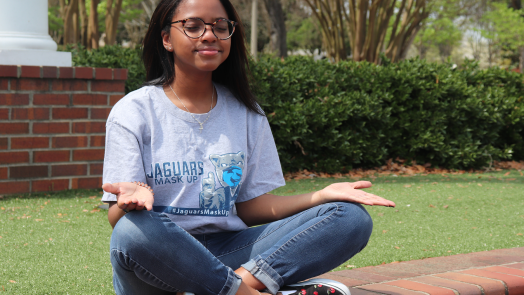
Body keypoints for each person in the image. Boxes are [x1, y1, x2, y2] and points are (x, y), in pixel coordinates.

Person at [101, 0, 396, 294]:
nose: (209, 35)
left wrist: (321, 195)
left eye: (220, 27)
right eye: (192, 26)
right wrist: (129, 205)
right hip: (160, 259)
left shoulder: (246, 112)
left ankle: (233, 288)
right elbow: (118, 221)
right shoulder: (133, 112)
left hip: (229, 252)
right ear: (166, 38)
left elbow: (250, 208)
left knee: (350, 218)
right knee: (132, 230)